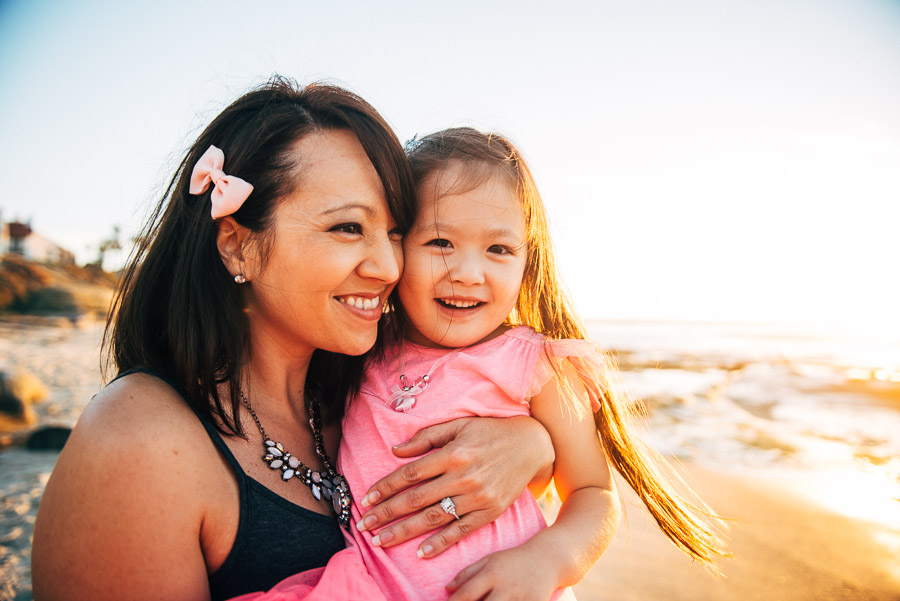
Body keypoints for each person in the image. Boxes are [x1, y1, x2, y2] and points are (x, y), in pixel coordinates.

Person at [30, 80, 559, 601]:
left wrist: (534, 443)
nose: (389, 266)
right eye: (349, 228)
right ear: (237, 245)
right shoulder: (139, 443)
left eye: (397, 232)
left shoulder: (369, 391)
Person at [237, 128, 728, 601]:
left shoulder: (537, 366)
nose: (468, 273)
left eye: (498, 249)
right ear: (398, 246)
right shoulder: (360, 348)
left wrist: (545, 560)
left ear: (526, 260)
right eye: (440, 243)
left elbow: (594, 493)